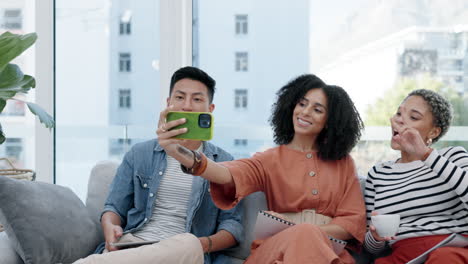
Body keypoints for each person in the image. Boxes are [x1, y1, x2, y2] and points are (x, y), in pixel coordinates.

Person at [159, 74, 367, 263]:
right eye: (301, 104)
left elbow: (352, 220)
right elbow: (227, 173)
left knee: (307, 236)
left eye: (317, 109)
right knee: (305, 235)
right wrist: (181, 153)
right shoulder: (270, 159)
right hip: (275, 249)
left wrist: (309, 233)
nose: (305, 112)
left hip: (329, 251)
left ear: (330, 121)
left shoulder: (344, 162)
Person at [74, 66, 244, 264]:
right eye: (180, 97)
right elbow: (113, 207)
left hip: (186, 252)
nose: (187, 106)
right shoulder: (139, 154)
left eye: (197, 99)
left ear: (210, 109)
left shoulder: (224, 164)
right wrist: (110, 228)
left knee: (188, 243)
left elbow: (233, 227)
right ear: (168, 103)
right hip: (135, 245)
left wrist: (202, 244)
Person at [364, 89, 468, 264]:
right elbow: (370, 247)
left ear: (434, 132)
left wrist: (427, 155)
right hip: (403, 256)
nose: (399, 120)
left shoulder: (452, 157)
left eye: (414, 117)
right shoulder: (378, 174)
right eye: (398, 113)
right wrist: (375, 237)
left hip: (450, 252)